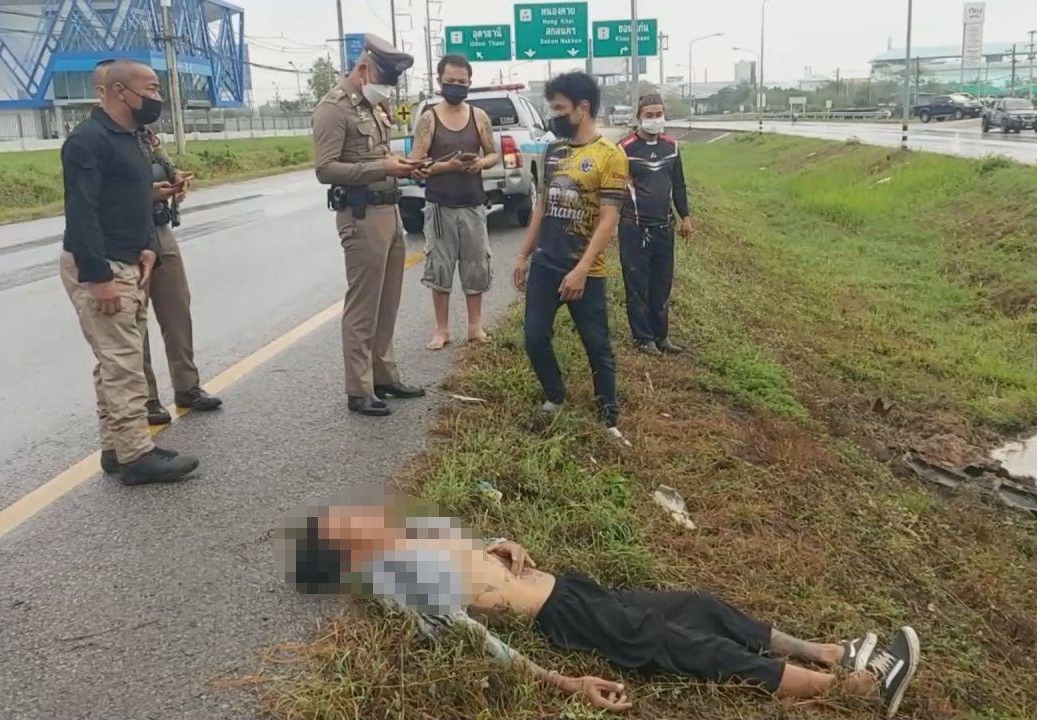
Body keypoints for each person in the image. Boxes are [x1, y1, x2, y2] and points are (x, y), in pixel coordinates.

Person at [282, 501, 921, 718]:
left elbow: (475, 561)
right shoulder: (399, 584)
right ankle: (850, 689)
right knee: (682, 643)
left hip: (575, 588)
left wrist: (500, 543)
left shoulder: (411, 543)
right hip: (565, 618)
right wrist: (566, 682)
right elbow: (478, 640)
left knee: (696, 605)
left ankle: (828, 651)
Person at [59, 59, 198, 485]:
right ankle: (137, 455)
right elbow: (81, 213)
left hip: (132, 258)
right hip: (104, 265)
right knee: (123, 364)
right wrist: (98, 276)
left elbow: (133, 197)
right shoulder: (88, 140)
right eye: (151, 89)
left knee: (115, 361)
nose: (157, 97)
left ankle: (115, 449)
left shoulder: (134, 138)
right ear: (120, 91)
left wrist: (149, 247)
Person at [92, 60, 223, 431]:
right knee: (135, 321)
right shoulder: (96, 137)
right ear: (108, 90)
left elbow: (159, 161)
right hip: (127, 238)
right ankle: (147, 398)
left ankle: (187, 386)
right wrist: (148, 193)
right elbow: (106, 194)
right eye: (148, 89)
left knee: (177, 309)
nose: (153, 97)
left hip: (160, 231)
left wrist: (175, 178)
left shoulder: (141, 131)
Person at [511, 72, 629, 446]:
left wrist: (581, 270)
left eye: (560, 108)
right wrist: (523, 255)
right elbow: (541, 207)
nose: (555, 115)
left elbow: (609, 219)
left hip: (585, 269)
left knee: (597, 346)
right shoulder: (554, 152)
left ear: (583, 107)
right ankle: (555, 395)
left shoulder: (610, 156)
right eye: (553, 108)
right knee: (534, 338)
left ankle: (608, 418)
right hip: (546, 264)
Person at [312, 35, 426, 417]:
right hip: (361, 216)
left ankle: (383, 376)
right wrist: (382, 167)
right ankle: (358, 389)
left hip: (389, 211)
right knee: (364, 304)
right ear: (363, 69)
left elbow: (377, 154)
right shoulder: (333, 108)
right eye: (382, 79)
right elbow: (325, 169)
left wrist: (400, 166)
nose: (386, 89)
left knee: (388, 300)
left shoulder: (373, 106)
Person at [408, 54, 501, 351]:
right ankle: (442, 329)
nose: (456, 86)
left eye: (462, 82)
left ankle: (475, 327)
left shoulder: (479, 117)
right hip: (439, 205)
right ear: (440, 81)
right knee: (440, 266)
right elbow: (415, 164)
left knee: (476, 265)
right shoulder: (429, 119)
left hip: (473, 204)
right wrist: (447, 167)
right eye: (450, 81)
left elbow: (493, 153)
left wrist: (480, 164)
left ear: (470, 82)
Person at [617, 93, 693, 356]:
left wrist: (685, 217)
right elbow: (614, 189)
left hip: (664, 226)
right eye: (649, 115)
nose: (654, 119)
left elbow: (679, 184)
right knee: (637, 283)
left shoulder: (671, 147)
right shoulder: (624, 149)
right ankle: (643, 337)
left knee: (662, 283)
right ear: (639, 117)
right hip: (634, 227)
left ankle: (661, 336)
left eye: (658, 114)